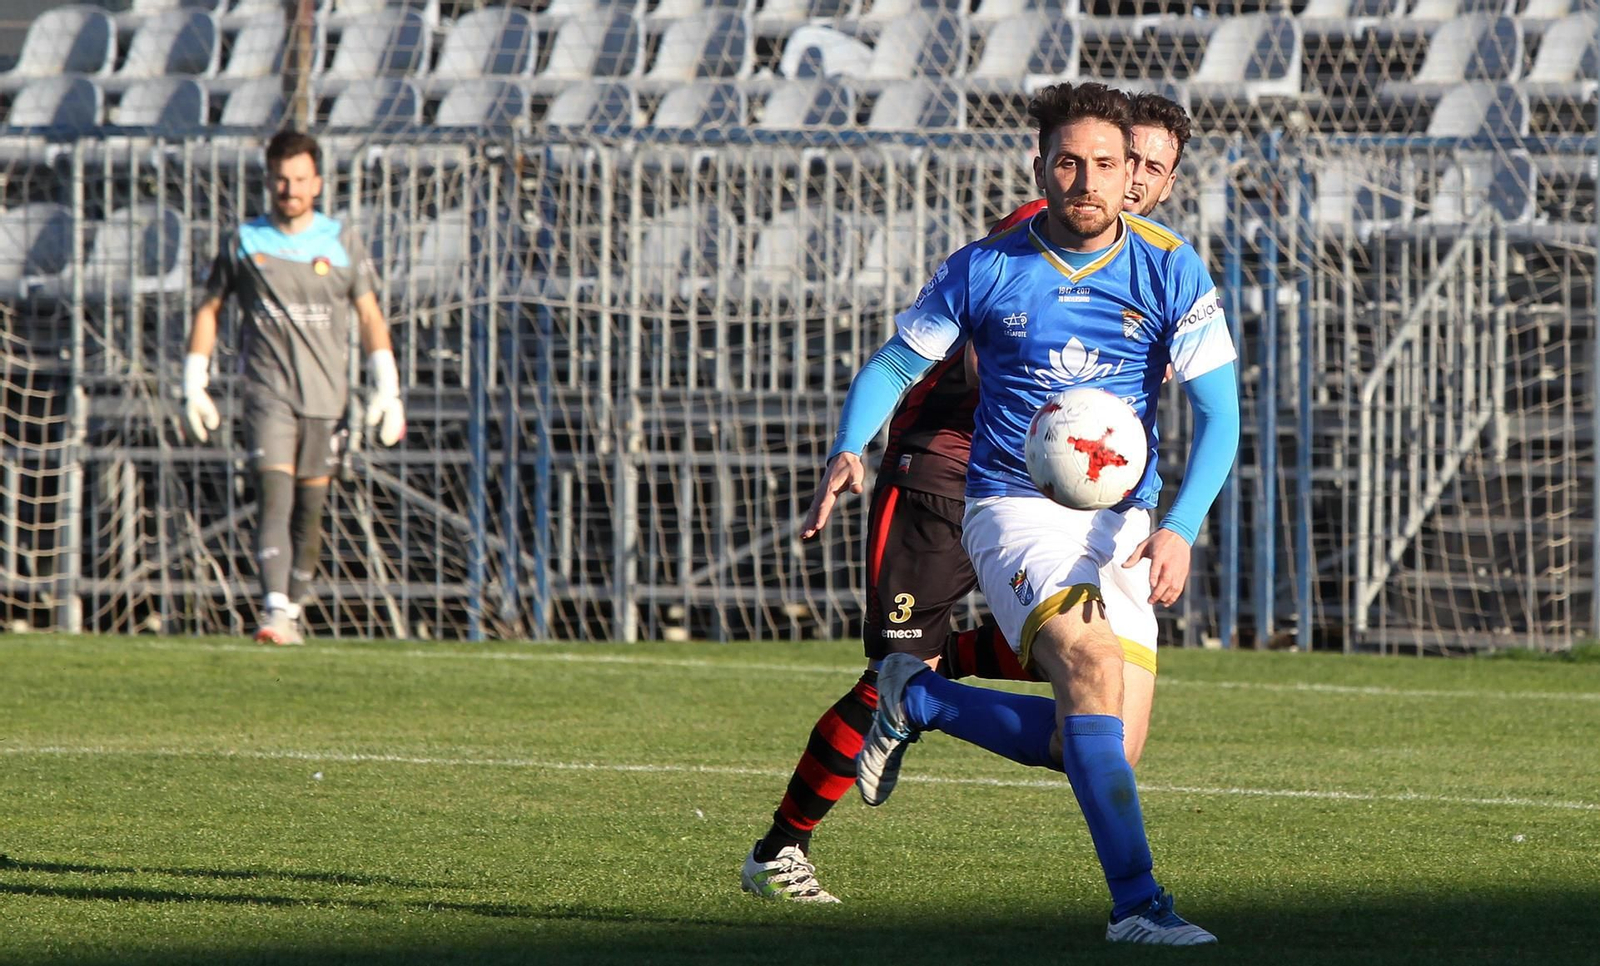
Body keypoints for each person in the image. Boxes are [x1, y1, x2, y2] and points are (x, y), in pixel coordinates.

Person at [804, 82, 1239, 945]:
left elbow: (1221, 414)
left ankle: (918, 697)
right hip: (1014, 506)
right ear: (1040, 165)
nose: (1090, 180)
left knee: (1099, 746)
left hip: (1124, 522)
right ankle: (1138, 907)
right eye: (1069, 162)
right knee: (1087, 662)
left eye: (1107, 164)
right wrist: (850, 445)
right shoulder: (986, 266)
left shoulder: (1171, 266)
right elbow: (894, 365)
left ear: (1130, 171)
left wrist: (1179, 527)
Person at [182, 130, 405, 646]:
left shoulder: (341, 242)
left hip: (327, 398)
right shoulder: (244, 241)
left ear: (317, 183)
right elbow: (210, 309)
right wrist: (195, 382)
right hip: (268, 394)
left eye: (300, 179)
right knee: (274, 497)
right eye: (282, 179)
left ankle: (294, 611)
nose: (290, 189)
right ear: (268, 181)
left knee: (311, 511)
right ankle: (275, 611)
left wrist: (387, 388)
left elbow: (370, 315)